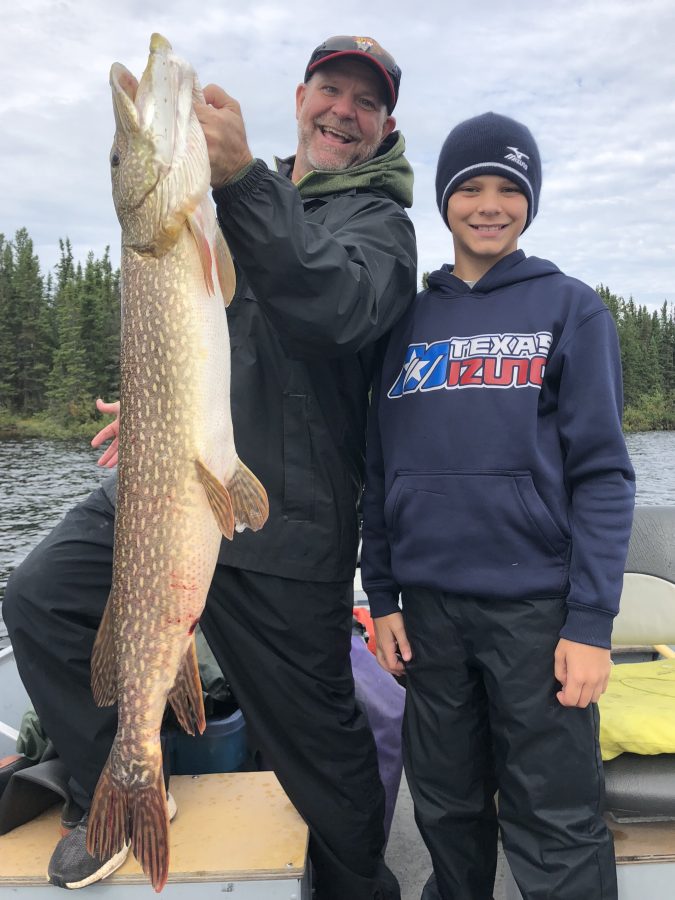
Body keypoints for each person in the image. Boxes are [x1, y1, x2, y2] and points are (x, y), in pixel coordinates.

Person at [3, 35, 416, 899]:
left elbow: (333, 310)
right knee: (40, 597)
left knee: (320, 753)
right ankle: (120, 784)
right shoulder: (213, 207)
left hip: (284, 520)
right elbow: (207, 335)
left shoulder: (379, 227)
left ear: (383, 128)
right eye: (330, 91)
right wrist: (159, 403)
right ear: (300, 99)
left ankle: (357, 887)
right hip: (178, 479)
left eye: (366, 102)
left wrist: (245, 184)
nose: (343, 111)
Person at [360, 112, 636, 900]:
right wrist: (383, 596)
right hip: (428, 616)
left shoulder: (569, 309)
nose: (489, 205)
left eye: (508, 189)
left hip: (536, 616)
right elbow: (377, 470)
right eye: (470, 188)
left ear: (530, 201)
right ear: (443, 201)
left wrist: (590, 623)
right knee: (445, 807)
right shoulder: (403, 321)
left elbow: (603, 476)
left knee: (553, 813)